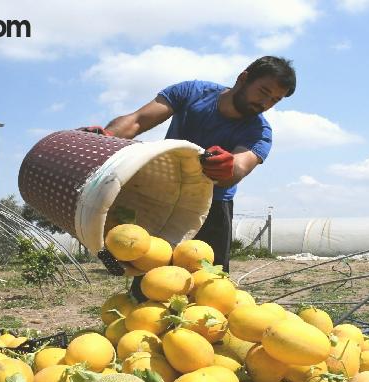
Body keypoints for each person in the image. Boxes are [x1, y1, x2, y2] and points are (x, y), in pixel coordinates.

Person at [81, 55, 296, 274]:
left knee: (207, 285)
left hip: (212, 210)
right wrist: (107, 136)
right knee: (153, 278)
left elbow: (240, 167)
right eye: (264, 92)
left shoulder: (259, 132)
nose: (265, 104)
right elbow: (138, 120)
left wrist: (226, 166)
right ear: (243, 78)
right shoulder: (193, 93)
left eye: (275, 100)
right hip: (162, 200)